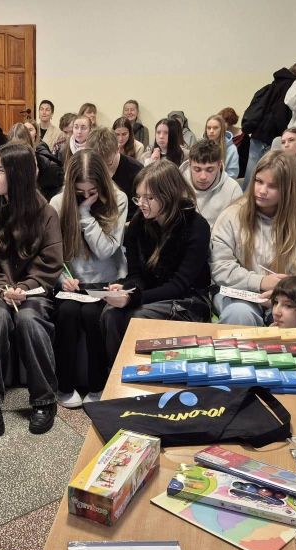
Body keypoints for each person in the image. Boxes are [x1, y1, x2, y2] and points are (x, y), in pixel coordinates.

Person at [0, 142, 62, 438]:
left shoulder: (45, 212)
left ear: (18, 175)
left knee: (29, 320)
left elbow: (50, 261)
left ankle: (44, 401)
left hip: (31, 291)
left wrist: (23, 287)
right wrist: (2, 287)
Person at [101, 160, 212, 364]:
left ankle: (143, 376)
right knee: (111, 313)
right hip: (152, 295)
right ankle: (117, 374)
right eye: (139, 196)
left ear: (169, 196)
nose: (141, 203)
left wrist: (132, 297)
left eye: (149, 197)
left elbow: (179, 285)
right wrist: (127, 289)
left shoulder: (196, 226)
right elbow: (136, 275)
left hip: (189, 299)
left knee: (138, 317)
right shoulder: (138, 223)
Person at [210, 150, 296, 326]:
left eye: (272, 186)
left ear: (287, 189)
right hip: (240, 294)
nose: (262, 191)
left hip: (290, 298)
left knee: (291, 318)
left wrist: (283, 295)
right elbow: (220, 266)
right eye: (259, 181)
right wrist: (261, 282)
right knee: (239, 314)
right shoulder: (231, 216)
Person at [49, 151, 127, 407]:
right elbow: (51, 252)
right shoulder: (58, 202)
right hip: (72, 282)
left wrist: (84, 214)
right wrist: (62, 278)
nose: (85, 197)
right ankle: (64, 387)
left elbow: (106, 250)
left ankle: (98, 386)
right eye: (79, 192)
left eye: (91, 192)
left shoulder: (118, 199)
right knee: (68, 313)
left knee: (94, 316)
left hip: (106, 280)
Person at [241, 64, 296, 187]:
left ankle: (245, 197)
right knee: (268, 174)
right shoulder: (291, 86)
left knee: (251, 174)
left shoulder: (273, 84)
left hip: (257, 133)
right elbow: (280, 114)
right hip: (272, 137)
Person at [180, 139, 242, 228]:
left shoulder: (233, 190)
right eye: (197, 169)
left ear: (219, 165)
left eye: (210, 169)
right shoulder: (177, 184)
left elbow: (236, 228)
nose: (203, 177)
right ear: (189, 164)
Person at [87, 126, 143, 221]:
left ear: (117, 149)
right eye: (97, 164)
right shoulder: (86, 165)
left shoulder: (136, 171)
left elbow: (139, 211)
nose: (102, 169)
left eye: (108, 163)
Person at [203, 114, 240, 179]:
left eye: (215, 128)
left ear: (222, 129)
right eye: (209, 128)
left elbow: (232, 174)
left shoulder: (231, 149)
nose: (211, 131)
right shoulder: (200, 146)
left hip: (222, 182)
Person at [218, 107, 249, 180]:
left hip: (239, 173)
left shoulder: (245, 137)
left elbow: (245, 160)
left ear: (230, 122)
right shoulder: (221, 135)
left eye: (223, 122)